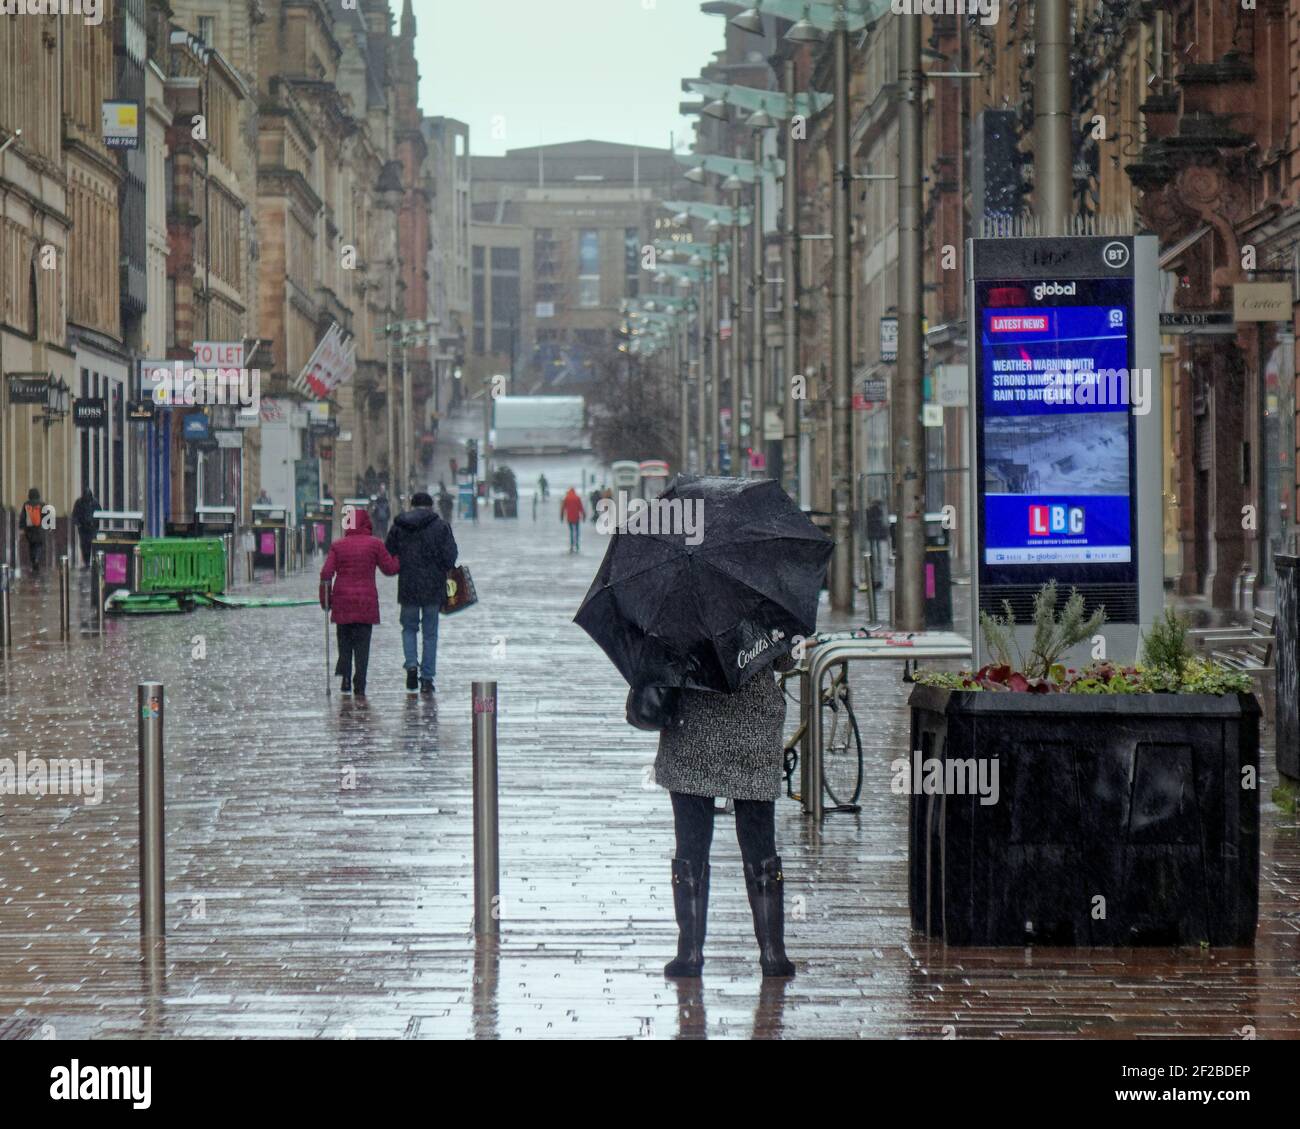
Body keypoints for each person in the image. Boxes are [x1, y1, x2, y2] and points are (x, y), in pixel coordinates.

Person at [655, 651, 798, 981]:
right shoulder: (761, 604)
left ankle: (689, 952)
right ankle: (772, 952)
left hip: (692, 726)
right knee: (759, 842)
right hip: (753, 728)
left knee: (691, 842)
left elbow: (657, 658)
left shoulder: (678, 602)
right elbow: (787, 660)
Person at [320, 508, 398, 698]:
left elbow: (326, 574)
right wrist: (401, 558)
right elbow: (389, 568)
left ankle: (345, 677)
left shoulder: (338, 546)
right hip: (365, 603)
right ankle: (360, 682)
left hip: (342, 601)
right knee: (363, 645)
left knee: (344, 642)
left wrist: (326, 600)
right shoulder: (375, 545)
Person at [385, 491, 459, 694]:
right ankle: (427, 678)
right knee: (430, 633)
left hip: (408, 585)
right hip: (433, 587)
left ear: (412, 504)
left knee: (408, 628)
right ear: (430, 505)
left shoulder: (399, 526)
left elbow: (388, 551)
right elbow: (451, 556)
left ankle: (410, 665)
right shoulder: (441, 526)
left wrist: (404, 562)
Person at [20, 488, 46, 575]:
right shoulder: (42, 504)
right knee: (39, 545)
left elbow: (23, 517)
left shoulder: (26, 504)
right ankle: (36, 559)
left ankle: (33, 560)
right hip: (39, 529)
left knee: (32, 545)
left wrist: (22, 528)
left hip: (29, 529)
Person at [71, 488, 99, 568]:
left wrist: (95, 523)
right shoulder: (79, 502)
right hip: (83, 527)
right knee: (84, 544)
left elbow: (99, 513)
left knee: (91, 543)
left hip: (92, 527)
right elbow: (75, 514)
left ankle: (91, 559)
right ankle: (86, 560)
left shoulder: (94, 502)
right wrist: (78, 523)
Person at [560, 486, 585, 552]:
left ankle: (571, 545)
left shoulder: (567, 498)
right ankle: (577, 544)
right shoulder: (577, 498)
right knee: (577, 531)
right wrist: (583, 515)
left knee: (571, 531)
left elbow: (562, 508)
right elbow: (581, 508)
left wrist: (561, 517)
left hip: (569, 518)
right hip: (576, 517)